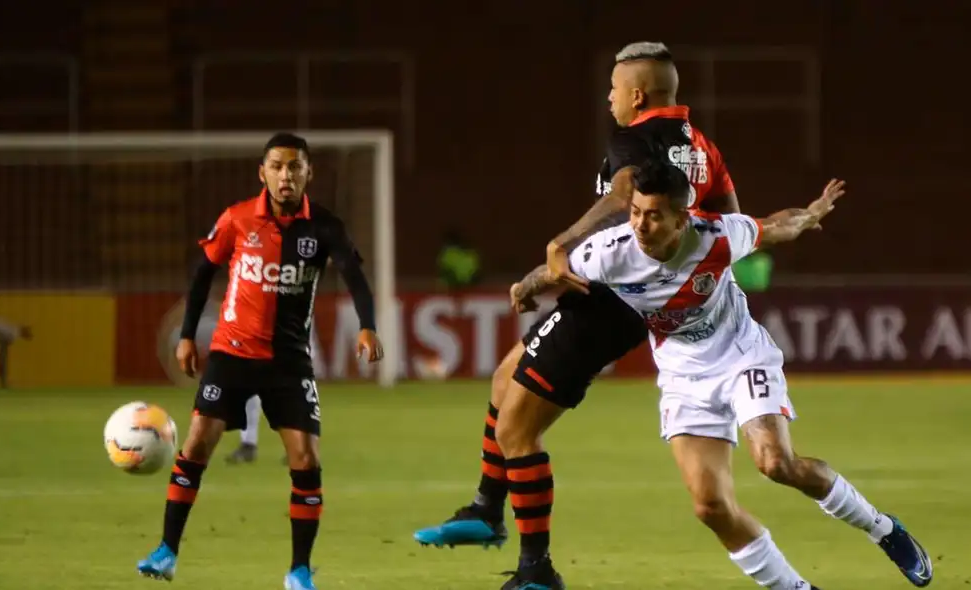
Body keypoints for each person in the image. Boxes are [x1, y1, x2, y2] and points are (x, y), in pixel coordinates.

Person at [413, 41, 739, 589]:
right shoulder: (700, 145)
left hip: (610, 300)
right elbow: (728, 218)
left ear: (636, 95)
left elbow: (624, 192)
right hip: (627, 296)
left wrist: (559, 245)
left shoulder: (633, 137)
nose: (608, 99)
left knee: (517, 430)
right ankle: (485, 508)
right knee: (503, 380)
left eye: (613, 89)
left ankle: (535, 570)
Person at [542, 159, 932, 589]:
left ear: (680, 217)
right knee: (710, 507)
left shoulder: (716, 236)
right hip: (683, 379)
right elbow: (556, 270)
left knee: (776, 463)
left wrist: (811, 214)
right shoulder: (611, 252)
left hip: (740, 356)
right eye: (635, 212)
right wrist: (525, 287)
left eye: (653, 215)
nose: (640, 225)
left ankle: (884, 529)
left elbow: (777, 226)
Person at [136, 132, 384, 590]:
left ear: (309, 172)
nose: (285, 175)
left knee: (306, 459)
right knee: (195, 444)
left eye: (294, 166)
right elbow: (203, 272)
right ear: (262, 172)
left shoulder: (324, 227)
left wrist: (367, 324)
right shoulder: (237, 219)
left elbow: (355, 277)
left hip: (289, 362)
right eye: (276, 166)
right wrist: (188, 335)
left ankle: (299, 571)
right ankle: (167, 550)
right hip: (232, 353)